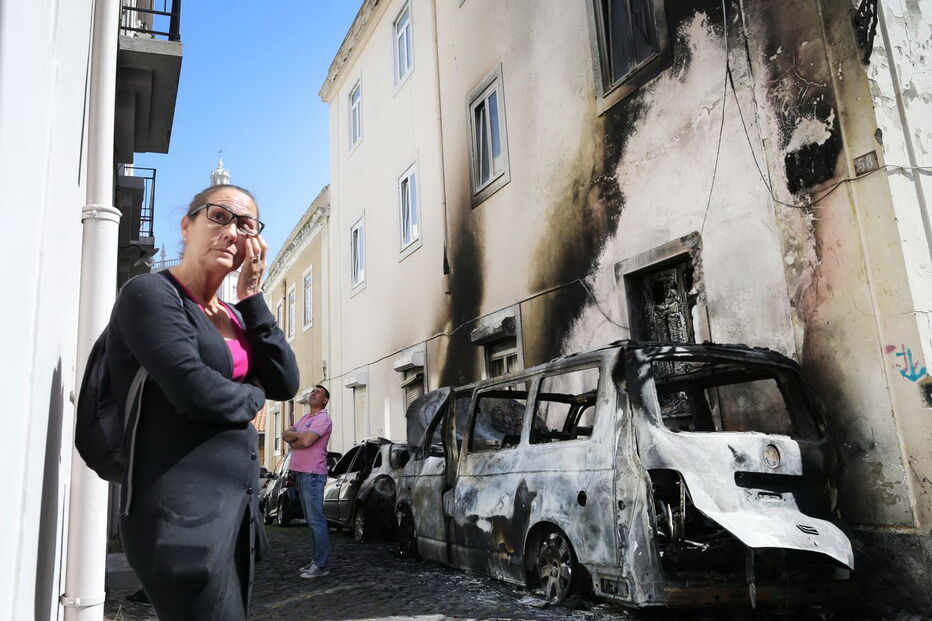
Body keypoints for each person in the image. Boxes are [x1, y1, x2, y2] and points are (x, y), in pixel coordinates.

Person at [108, 184, 299, 620]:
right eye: (219, 216)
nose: (233, 231)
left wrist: (252, 298)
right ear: (186, 225)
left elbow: (286, 381)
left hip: (234, 521)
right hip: (181, 520)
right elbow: (192, 389)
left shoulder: (234, 314)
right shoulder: (152, 295)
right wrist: (252, 397)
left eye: (246, 224)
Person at [283, 384, 333, 578]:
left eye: (318, 392)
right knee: (312, 521)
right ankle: (317, 561)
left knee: (316, 520)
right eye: (313, 391)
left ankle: (321, 565)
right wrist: (297, 437)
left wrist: (295, 439)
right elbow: (287, 434)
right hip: (301, 474)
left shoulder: (323, 418)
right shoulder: (305, 418)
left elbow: (305, 442)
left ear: (325, 400)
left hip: (312, 474)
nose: (313, 393)